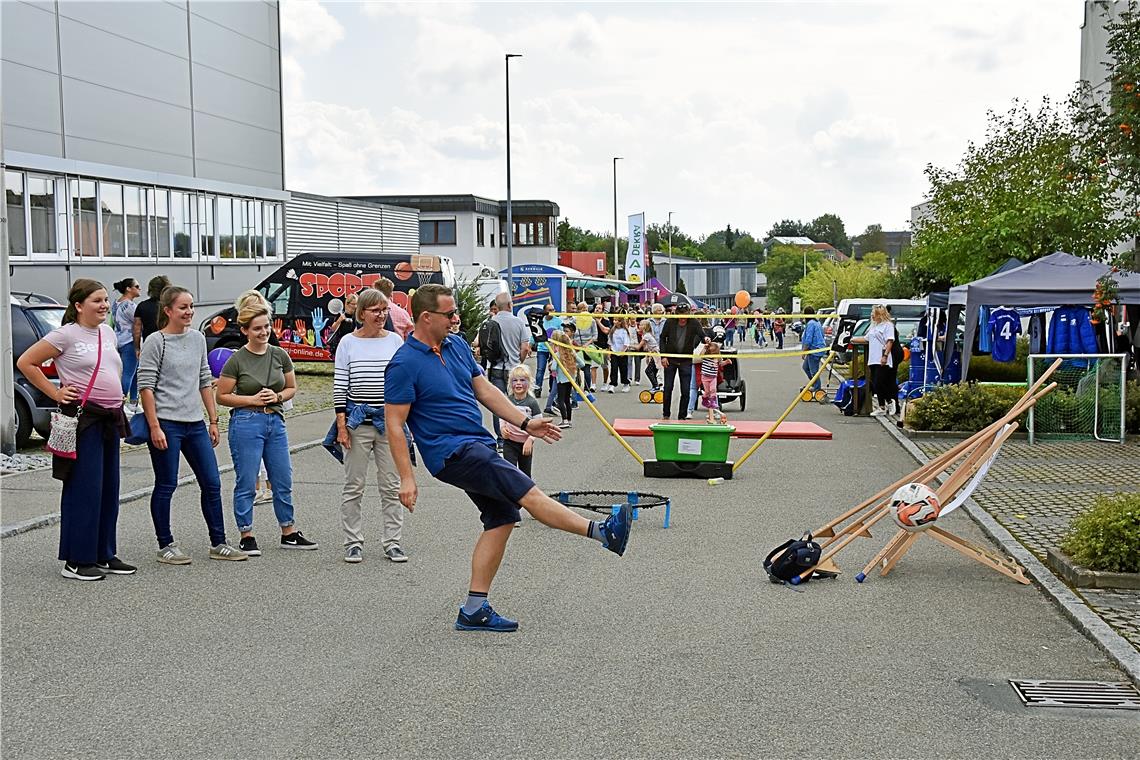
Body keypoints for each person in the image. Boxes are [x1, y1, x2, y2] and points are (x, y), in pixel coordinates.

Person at [384, 284, 633, 633]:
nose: (457, 318)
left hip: (477, 444)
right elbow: (394, 424)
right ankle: (603, 532)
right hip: (452, 452)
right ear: (426, 318)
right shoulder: (404, 363)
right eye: (450, 314)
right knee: (527, 491)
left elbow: (484, 390)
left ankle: (474, 609)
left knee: (501, 517)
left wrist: (526, 421)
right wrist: (406, 478)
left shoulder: (455, 345)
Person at [17, 279, 135, 581]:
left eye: (106, 300)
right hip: (83, 419)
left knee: (109, 488)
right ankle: (76, 560)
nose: (104, 305)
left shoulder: (107, 332)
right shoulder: (65, 334)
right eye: (97, 300)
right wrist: (55, 394)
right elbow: (26, 361)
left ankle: (103, 553)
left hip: (110, 417)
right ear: (79, 305)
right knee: (84, 488)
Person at [138, 286, 247, 564]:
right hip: (167, 423)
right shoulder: (156, 341)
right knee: (166, 484)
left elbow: (204, 379)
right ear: (168, 311)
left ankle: (219, 542)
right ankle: (165, 544)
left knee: (211, 482)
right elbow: (146, 387)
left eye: (191, 306)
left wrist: (212, 419)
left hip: (194, 423)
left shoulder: (198, 338)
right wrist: (154, 426)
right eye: (183, 307)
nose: (189, 312)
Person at [215, 303, 317, 556]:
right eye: (257, 328)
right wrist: (252, 400)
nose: (264, 332)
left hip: (275, 421)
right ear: (245, 330)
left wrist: (278, 396)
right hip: (247, 422)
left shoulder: (279, 354)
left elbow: (291, 387)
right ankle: (246, 534)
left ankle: (288, 532)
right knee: (247, 481)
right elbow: (222, 396)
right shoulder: (237, 359)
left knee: (282, 478)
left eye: (267, 327)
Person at [334, 288, 407, 563]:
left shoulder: (395, 341)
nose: (381, 315)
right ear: (361, 313)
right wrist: (341, 425)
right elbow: (340, 385)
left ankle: (393, 541)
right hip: (356, 422)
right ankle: (353, 541)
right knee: (354, 485)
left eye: (385, 309)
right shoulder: (348, 343)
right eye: (375, 310)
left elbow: (402, 380)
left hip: (388, 422)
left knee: (391, 484)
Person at [486, 293, 532, 451]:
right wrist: (519, 362)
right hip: (513, 368)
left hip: (496, 368)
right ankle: (516, 435)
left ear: (497, 307)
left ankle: (501, 438)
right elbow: (525, 347)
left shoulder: (491, 322)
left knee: (497, 403)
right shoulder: (518, 322)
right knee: (516, 402)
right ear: (510, 305)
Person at [659, 304, 706, 420]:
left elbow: (702, 335)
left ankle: (682, 415)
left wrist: (706, 339)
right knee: (668, 387)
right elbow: (662, 338)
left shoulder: (694, 323)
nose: (683, 318)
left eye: (685, 315)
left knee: (685, 390)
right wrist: (663, 356)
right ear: (677, 314)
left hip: (685, 360)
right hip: (671, 359)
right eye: (681, 315)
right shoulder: (670, 322)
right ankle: (666, 414)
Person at [851, 304, 896, 416]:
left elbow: (890, 341)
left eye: (874, 314)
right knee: (875, 384)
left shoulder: (888, 325)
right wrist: (852, 339)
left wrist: (885, 356)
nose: (872, 316)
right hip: (873, 358)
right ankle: (881, 406)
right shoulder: (874, 326)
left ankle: (890, 401)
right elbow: (866, 339)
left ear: (880, 314)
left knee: (879, 382)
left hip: (881, 357)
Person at [500, 364, 542, 476]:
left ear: (528, 383)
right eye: (515, 380)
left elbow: (538, 424)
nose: (518, 383)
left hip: (525, 443)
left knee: (525, 474)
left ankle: (526, 493)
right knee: (510, 472)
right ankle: (510, 493)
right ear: (510, 383)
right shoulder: (507, 401)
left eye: (522, 380)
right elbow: (502, 416)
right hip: (509, 443)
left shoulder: (532, 403)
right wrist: (503, 428)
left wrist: (530, 439)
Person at [111, 278, 141, 414]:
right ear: (129, 288)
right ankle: (120, 402)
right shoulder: (129, 305)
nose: (139, 289)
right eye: (137, 286)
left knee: (135, 372)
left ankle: (133, 401)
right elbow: (138, 322)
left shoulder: (116, 303)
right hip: (130, 340)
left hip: (119, 339)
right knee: (128, 373)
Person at [550, 326, 583, 428]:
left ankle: (564, 420)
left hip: (561, 379)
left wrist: (554, 367)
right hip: (570, 378)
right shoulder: (572, 352)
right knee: (567, 400)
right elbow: (582, 364)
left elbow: (554, 367)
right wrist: (572, 367)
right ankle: (569, 420)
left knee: (560, 400)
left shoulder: (558, 354)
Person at [133, 274, 169, 362]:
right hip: (169, 343)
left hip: (149, 345)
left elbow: (137, 331)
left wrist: (137, 348)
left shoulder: (142, 306)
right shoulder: (170, 306)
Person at [534, 303, 560, 400]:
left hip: (554, 349)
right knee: (540, 369)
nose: (551, 312)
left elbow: (562, 335)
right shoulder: (540, 321)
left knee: (553, 370)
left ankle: (552, 389)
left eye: (553, 310)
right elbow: (535, 333)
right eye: (549, 310)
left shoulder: (558, 321)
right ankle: (538, 388)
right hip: (542, 348)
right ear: (544, 311)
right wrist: (530, 344)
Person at [800, 306, 827, 398]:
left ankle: (817, 387)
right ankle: (814, 384)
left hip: (814, 350)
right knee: (805, 367)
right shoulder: (817, 322)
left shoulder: (811, 324)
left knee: (813, 371)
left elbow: (808, 339)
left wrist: (804, 351)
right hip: (816, 348)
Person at [699, 340, 728, 424]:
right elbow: (700, 356)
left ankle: (713, 401)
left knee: (713, 390)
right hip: (705, 376)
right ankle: (704, 398)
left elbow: (721, 364)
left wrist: (726, 362)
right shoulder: (706, 356)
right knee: (707, 392)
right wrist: (704, 348)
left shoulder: (718, 358)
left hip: (713, 377)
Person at [327, 292, 359, 359]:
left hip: (353, 343)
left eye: (356, 304)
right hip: (340, 343)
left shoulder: (357, 315)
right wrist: (339, 320)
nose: (355, 306)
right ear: (347, 304)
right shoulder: (341, 315)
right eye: (353, 304)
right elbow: (333, 329)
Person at [636, 319, 661, 390]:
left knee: (648, 371)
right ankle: (655, 386)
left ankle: (656, 386)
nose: (639, 326)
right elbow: (645, 348)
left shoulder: (647, 336)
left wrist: (629, 345)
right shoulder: (646, 335)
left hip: (655, 355)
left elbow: (638, 347)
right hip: (653, 354)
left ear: (644, 327)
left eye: (640, 325)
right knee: (653, 371)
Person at [608, 316, 632, 392]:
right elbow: (610, 342)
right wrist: (609, 353)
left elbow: (626, 343)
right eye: (614, 320)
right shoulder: (612, 330)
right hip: (614, 352)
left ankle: (626, 383)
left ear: (620, 322)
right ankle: (612, 384)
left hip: (623, 353)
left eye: (616, 320)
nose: (614, 322)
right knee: (614, 368)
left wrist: (623, 351)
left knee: (623, 369)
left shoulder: (624, 331)